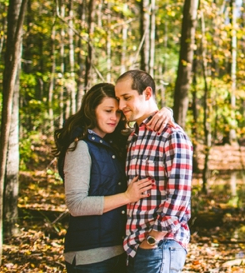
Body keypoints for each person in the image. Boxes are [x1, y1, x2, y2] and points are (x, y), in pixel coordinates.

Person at [53, 83, 174, 273]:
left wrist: (166, 111)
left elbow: (146, 125)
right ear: (91, 110)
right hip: (89, 256)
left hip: (120, 251)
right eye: (108, 111)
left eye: (118, 112)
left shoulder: (117, 143)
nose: (114, 118)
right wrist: (127, 197)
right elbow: (76, 204)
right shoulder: (79, 148)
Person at [115, 70, 192, 273]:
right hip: (133, 247)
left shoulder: (172, 135)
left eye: (127, 98)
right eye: (118, 99)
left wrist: (152, 238)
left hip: (160, 246)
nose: (121, 105)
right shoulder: (133, 137)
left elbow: (179, 195)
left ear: (147, 93)